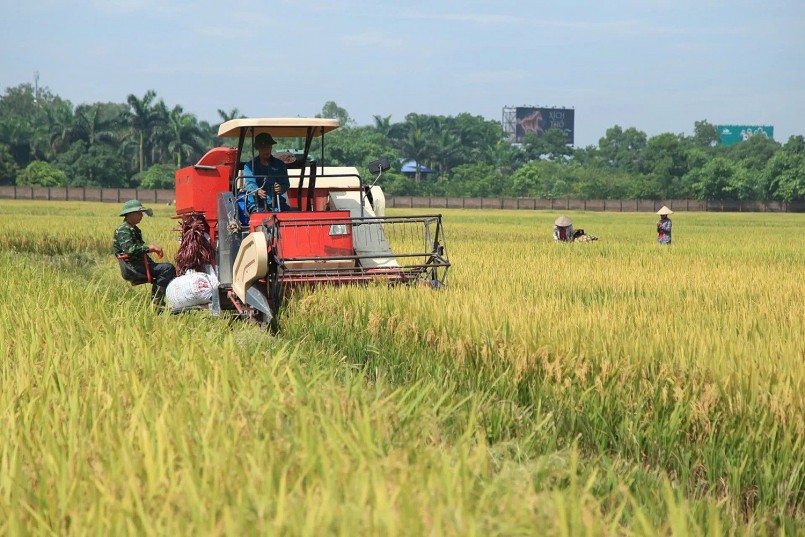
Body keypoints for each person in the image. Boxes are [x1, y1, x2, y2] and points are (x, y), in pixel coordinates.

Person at [113, 199, 176, 305]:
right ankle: (157, 304)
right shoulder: (124, 230)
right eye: (138, 213)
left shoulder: (134, 229)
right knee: (167, 269)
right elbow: (130, 250)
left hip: (140, 264)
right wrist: (151, 248)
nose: (141, 216)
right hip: (133, 267)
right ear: (130, 214)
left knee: (167, 269)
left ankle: (160, 301)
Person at [243, 132, 291, 213]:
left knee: (291, 217)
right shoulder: (249, 166)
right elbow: (250, 183)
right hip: (257, 204)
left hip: (277, 203)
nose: (267, 150)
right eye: (264, 147)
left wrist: (280, 188)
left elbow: (285, 183)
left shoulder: (280, 165)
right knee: (262, 220)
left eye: (269, 147)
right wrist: (257, 191)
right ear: (257, 148)